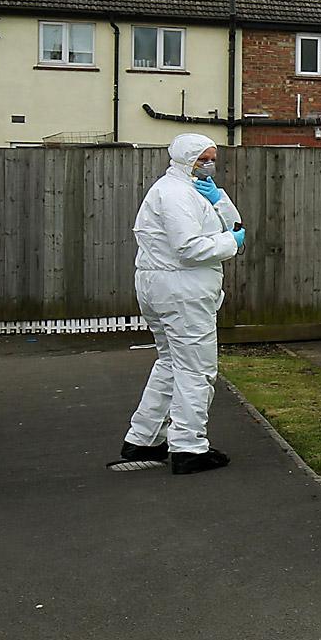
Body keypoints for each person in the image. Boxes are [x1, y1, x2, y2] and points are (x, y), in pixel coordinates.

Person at [121, 132, 245, 475]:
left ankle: (143, 439)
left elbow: (231, 222)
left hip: (164, 286)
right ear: (185, 158)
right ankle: (189, 447)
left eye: (213, 157)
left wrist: (220, 201)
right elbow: (190, 248)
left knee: (171, 363)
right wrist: (230, 243)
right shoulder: (175, 193)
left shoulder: (187, 189)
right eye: (203, 158)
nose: (210, 164)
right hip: (182, 290)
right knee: (196, 368)